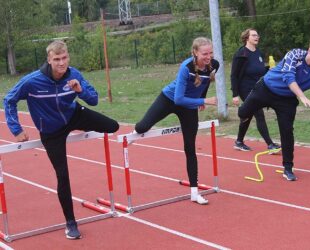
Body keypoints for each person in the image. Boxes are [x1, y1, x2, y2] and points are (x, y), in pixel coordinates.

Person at [3, 40, 119, 239]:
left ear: (68, 57)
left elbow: (94, 100)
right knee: (63, 176)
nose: (61, 63)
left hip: (73, 116)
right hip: (51, 130)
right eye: (56, 59)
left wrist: (79, 89)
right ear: (49, 60)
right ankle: (71, 223)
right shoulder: (32, 81)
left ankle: (79, 125)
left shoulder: (74, 74)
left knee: (113, 126)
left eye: (64, 58)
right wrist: (16, 129)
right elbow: (9, 99)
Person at [238, 38, 310, 181]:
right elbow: (288, 77)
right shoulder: (295, 55)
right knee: (242, 113)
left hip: (287, 100)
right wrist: (302, 97)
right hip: (266, 88)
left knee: (287, 131)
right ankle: (244, 117)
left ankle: (288, 168)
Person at [133, 37, 218, 205]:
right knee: (142, 127)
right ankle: (135, 132)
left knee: (190, 148)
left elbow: (206, 81)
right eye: (204, 54)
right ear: (195, 52)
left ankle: (195, 192)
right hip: (170, 99)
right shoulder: (186, 68)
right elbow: (179, 99)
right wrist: (204, 101)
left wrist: (200, 97)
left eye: (210, 53)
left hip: (189, 107)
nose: (208, 57)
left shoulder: (214, 64)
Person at [231, 28, 280, 152]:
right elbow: (234, 75)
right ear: (247, 38)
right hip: (245, 89)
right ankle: (270, 144)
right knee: (258, 113)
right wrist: (235, 94)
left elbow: (259, 70)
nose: (256, 37)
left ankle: (239, 141)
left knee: (247, 114)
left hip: (257, 87)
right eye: (253, 35)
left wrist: (270, 68)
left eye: (257, 35)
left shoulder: (258, 52)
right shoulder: (242, 53)